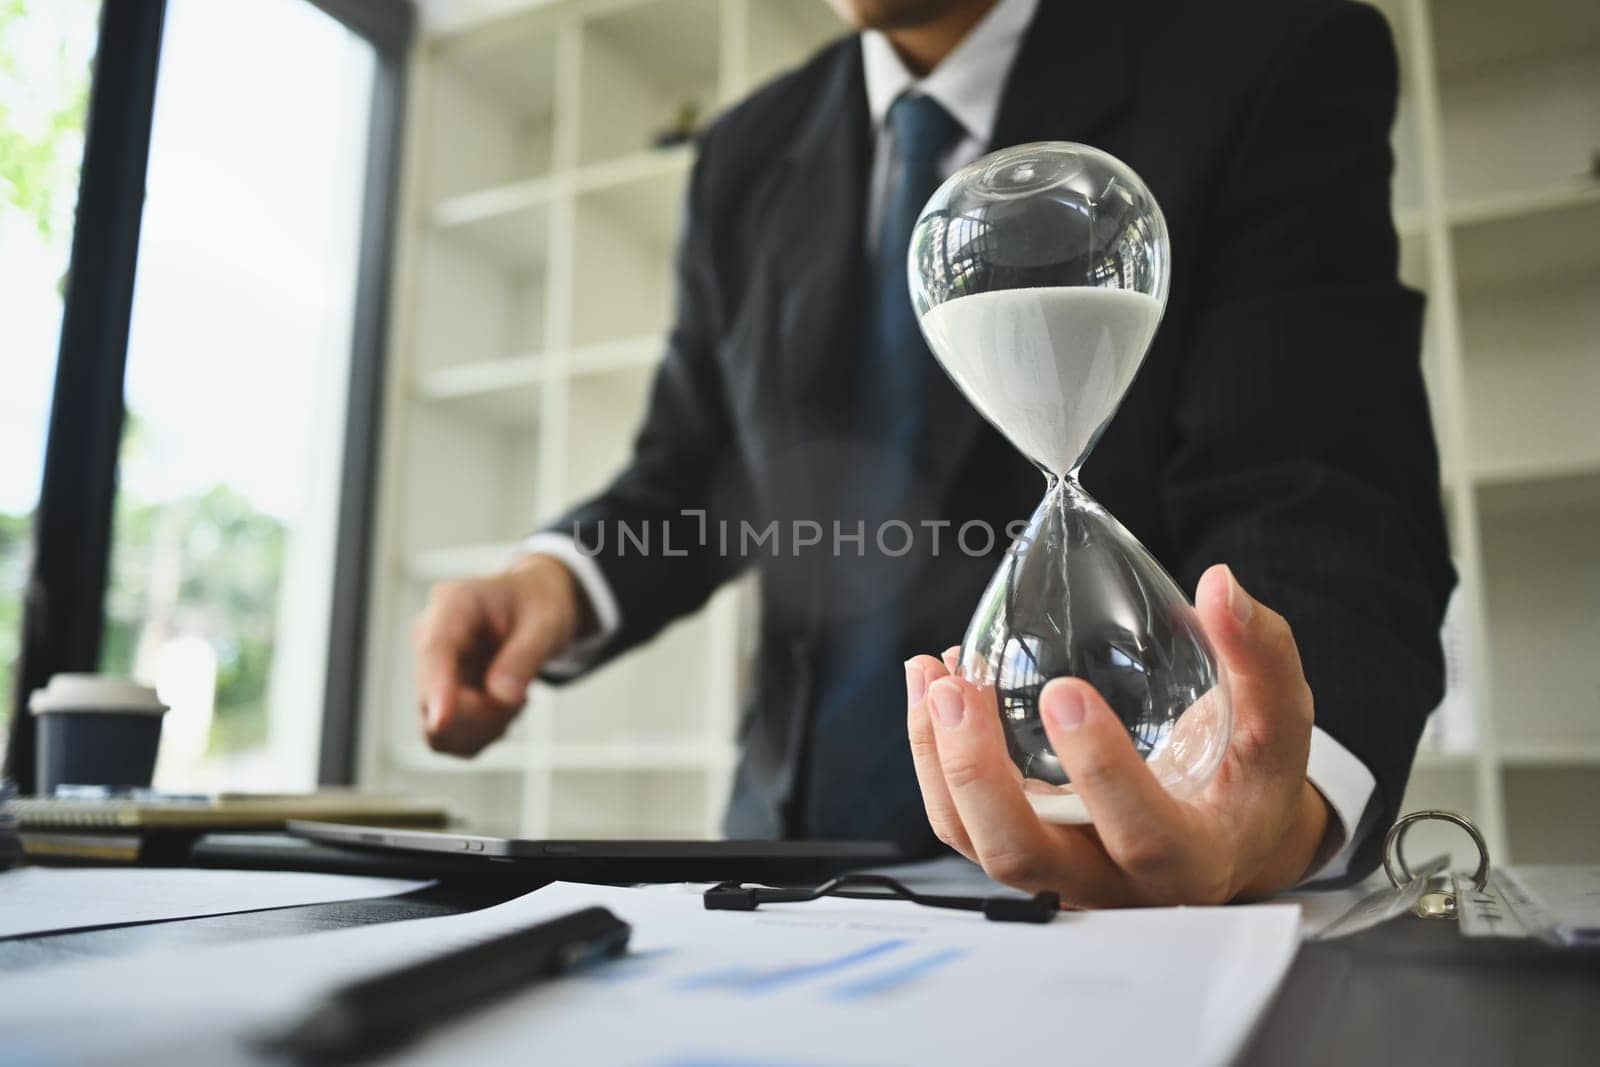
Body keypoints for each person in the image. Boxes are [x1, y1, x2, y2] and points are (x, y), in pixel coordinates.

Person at [412, 0, 1454, 905]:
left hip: (1134, 852)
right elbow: (699, 464)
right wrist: (554, 578)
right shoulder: (741, 154)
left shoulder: (1262, 55)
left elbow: (1319, 485)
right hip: (787, 858)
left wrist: (1272, 794)